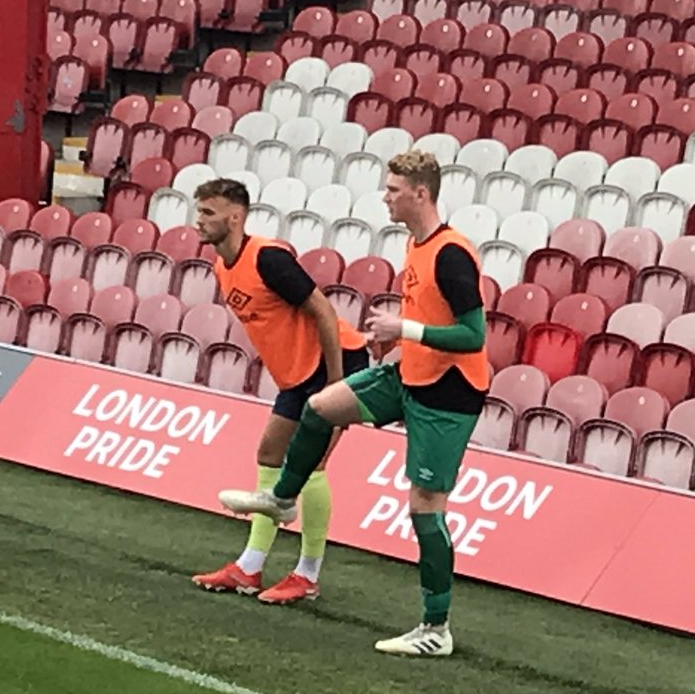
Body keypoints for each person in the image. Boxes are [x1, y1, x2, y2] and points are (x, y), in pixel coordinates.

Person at [220, 151, 489, 656]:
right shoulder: (417, 244)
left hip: (449, 393)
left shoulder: (452, 253)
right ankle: (282, 499)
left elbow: (473, 336)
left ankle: (436, 629)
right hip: (411, 371)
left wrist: (402, 328)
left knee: (425, 510)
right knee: (321, 407)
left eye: (393, 189)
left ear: (420, 193)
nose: (385, 196)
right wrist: (400, 341)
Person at [190, 178, 369, 604]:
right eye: (199, 211)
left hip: (333, 364)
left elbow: (324, 310)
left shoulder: (268, 258)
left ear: (236, 217)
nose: (200, 220)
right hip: (297, 373)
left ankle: (307, 574)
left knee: (312, 467)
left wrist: (337, 383)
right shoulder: (222, 265)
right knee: (270, 453)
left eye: (209, 213)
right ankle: (249, 567)